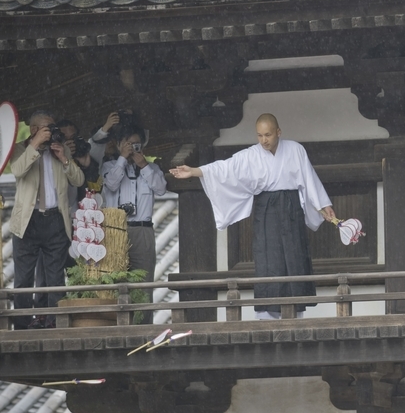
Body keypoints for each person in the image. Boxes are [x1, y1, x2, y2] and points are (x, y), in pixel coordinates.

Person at [170, 114, 338, 320]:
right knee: (269, 260)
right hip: (266, 211)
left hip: (291, 210)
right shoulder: (251, 155)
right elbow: (225, 168)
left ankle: (296, 313)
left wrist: (323, 205)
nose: (263, 140)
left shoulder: (296, 150)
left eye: (268, 135)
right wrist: (195, 171)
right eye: (259, 135)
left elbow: (309, 179)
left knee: (295, 257)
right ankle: (267, 316)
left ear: (278, 132)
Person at [8, 110, 84, 328]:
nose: (52, 132)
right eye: (47, 128)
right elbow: (17, 170)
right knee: (23, 278)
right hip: (27, 221)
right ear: (33, 129)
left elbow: (78, 180)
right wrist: (35, 145)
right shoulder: (20, 148)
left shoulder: (60, 148)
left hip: (55, 219)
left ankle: (55, 323)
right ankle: (22, 325)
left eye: (53, 128)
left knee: (55, 278)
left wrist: (64, 159)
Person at [101, 127, 167, 282]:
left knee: (144, 278)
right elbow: (111, 184)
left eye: (136, 144)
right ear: (119, 145)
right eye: (128, 144)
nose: (132, 148)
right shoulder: (109, 166)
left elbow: (161, 189)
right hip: (116, 229)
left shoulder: (152, 169)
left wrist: (144, 165)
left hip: (142, 230)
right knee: (115, 278)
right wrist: (122, 159)